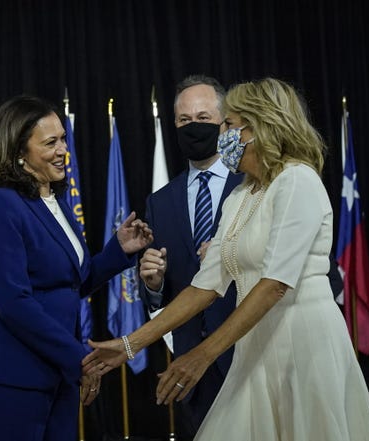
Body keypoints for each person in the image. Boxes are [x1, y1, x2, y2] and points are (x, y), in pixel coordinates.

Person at [84, 78, 369, 441]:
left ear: (260, 128)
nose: (220, 133)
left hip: (302, 345)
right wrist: (130, 344)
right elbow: (205, 285)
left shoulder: (297, 181)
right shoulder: (240, 196)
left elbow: (274, 285)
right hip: (254, 348)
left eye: (228, 124)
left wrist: (203, 355)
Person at [0, 95, 153, 441]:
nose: (63, 149)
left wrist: (118, 250)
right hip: (13, 369)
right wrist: (81, 359)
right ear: (19, 151)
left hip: (58, 367)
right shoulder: (2, 204)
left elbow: (70, 283)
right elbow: (14, 302)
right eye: (50, 142)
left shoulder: (56, 203)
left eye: (63, 139)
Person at [139, 74, 243, 438]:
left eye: (203, 118)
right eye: (184, 120)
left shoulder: (251, 184)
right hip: (191, 370)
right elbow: (166, 294)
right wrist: (153, 285)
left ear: (224, 121)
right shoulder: (160, 201)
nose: (192, 127)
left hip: (249, 357)